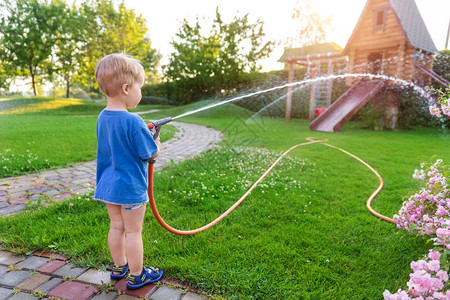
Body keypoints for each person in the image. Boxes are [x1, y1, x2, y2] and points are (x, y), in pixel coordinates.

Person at [93, 53, 163, 290]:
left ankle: (119, 266)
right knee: (134, 231)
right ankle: (136, 275)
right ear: (126, 88)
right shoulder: (134, 121)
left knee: (116, 226)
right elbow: (150, 153)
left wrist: (144, 131)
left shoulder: (102, 117)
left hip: (108, 187)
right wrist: (155, 139)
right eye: (139, 88)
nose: (140, 93)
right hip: (130, 188)